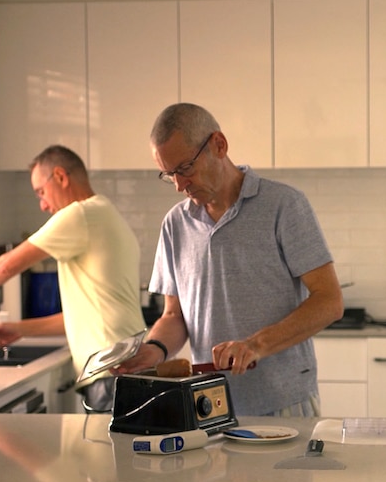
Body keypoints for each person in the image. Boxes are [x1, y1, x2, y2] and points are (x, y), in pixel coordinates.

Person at [115, 103, 344, 417]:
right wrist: (153, 350)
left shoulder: (284, 206)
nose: (180, 185)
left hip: (283, 403)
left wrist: (255, 345)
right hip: (207, 405)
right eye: (169, 175)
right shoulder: (175, 224)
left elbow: (329, 301)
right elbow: (174, 315)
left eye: (184, 168)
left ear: (218, 145)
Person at [0, 145, 146, 411]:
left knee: (108, 453)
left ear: (60, 177)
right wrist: (20, 329)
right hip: (129, 366)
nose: (42, 204)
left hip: (110, 374)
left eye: (41, 191)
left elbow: (7, 266)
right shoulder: (106, 213)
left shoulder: (80, 215)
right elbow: (84, 316)